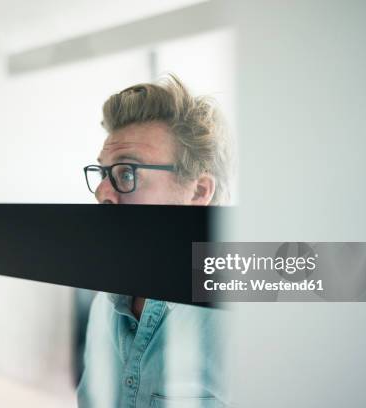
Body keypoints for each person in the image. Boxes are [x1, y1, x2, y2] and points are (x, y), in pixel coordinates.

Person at [77, 75, 233, 408]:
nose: (102, 193)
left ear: (199, 191)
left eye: (127, 173)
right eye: (103, 174)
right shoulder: (105, 305)